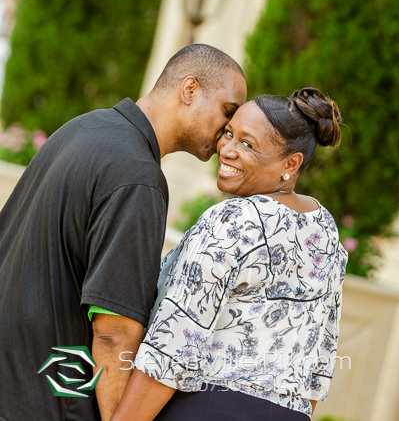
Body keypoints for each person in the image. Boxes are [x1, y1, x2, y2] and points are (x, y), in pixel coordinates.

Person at [0, 44, 247, 421]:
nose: (228, 130)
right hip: (45, 405)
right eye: (228, 111)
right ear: (190, 90)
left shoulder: (84, 127)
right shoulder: (138, 178)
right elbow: (115, 334)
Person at [111, 87, 348, 421]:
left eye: (247, 144)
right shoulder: (325, 228)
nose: (227, 150)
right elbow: (321, 353)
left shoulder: (231, 219)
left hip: (207, 408)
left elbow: (176, 342)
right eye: (228, 134)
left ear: (291, 163)